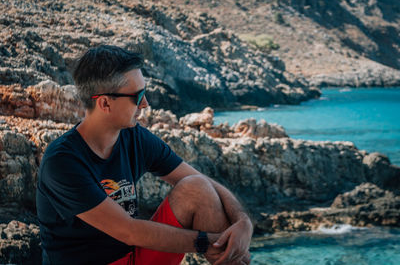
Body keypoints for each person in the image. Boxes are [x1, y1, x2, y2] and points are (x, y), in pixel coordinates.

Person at [36, 45, 253, 265]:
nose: (146, 103)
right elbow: (129, 231)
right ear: (104, 103)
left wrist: (243, 222)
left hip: (132, 259)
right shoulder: (62, 160)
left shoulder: (135, 137)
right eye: (137, 96)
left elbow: (204, 183)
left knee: (197, 188)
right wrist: (212, 242)